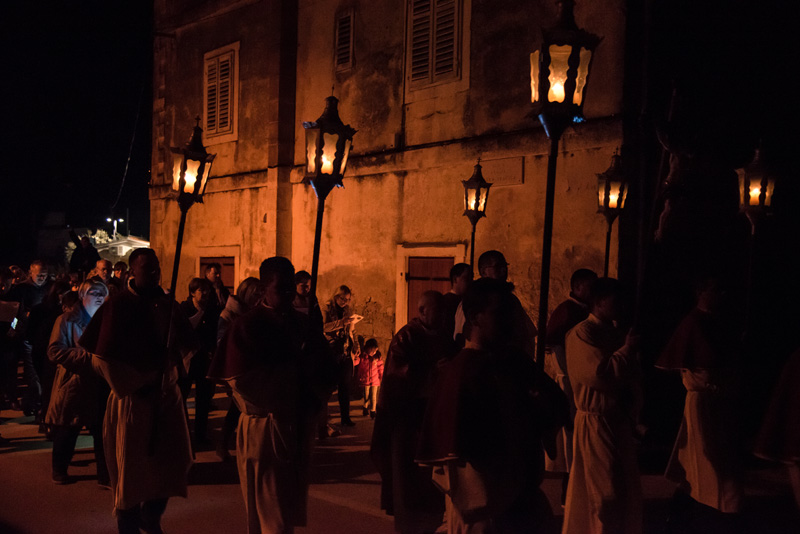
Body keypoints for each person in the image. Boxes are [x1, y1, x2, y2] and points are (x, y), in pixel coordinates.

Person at [416, 278, 566, 533]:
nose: (511, 323)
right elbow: (464, 462)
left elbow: (553, 403)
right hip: (486, 508)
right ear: (475, 317)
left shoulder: (513, 360)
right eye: (501, 314)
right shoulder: (461, 373)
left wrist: (539, 410)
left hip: (522, 499)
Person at [208, 257, 338, 534]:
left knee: (285, 513)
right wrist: (289, 376)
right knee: (272, 517)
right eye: (282, 288)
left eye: (291, 287)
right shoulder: (247, 326)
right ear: (264, 288)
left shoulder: (303, 325)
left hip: (297, 426)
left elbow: (326, 372)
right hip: (264, 429)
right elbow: (240, 380)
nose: (290, 293)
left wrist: (312, 383)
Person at [80, 248, 197, 534]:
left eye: (157, 268)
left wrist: (178, 369)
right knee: (131, 475)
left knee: (174, 463)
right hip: (132, 400)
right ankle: (129, 525)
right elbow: (101, 357)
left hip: (167, 398)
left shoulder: (169, 304)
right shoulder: (117, 305)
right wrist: (137, 384)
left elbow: (187, 347)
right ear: (133, 271)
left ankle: (151, 516)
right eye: (148, 269)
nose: (155, 273)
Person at [656, 275, 743, 528]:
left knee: (706, 465)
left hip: (720, 405)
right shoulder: (693, 322)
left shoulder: (718, 321)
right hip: (704, 405)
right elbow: (707, 364)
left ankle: (687, 511)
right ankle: (719, 514)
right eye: (717, 289)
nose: (723, 295)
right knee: (709, 464)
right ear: (701, 292)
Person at [562, 277, 642, 534]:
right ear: (598, 302)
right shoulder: (582, 334)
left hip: (616, 420)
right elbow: (600, 374)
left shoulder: (615, 332)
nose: (620, 305)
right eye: (614, 299)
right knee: (604, 492)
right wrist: (627, 351)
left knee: (622, 488)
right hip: (596, 421)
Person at [371, 290, 454, 534]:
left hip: (434, 418)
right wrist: (430, 372)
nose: (443, 317)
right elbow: (397, 377)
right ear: (423, 311)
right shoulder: (406, 337)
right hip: (408, 421)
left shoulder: (446, 339)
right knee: (407, 482)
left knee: (433, 484)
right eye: (438, 312)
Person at [45, 279, 110, 486]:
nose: (99, 296)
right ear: (82, 296)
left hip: (100, 384)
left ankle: (105, 474)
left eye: (102, 292)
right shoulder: (66, 320)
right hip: (73, 383)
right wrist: (88, 357)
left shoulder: (107, 321)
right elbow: (54, 351)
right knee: (67, 428)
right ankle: (59, 468)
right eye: (94, 292)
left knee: (102, 431)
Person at [544, 268, 597, 501]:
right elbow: (554, 345)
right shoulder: (567, 311)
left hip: (580, 380)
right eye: (590, 286)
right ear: (577, 288)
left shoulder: (585, 311)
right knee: (571, 434)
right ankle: (569, 488)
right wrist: (569, 372)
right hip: (569, 380)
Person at [214, 276, 266, 461]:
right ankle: (226, 443)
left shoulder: (256, 314)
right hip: (236, 369)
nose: (259, 297)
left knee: (240, 409)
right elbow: (223, 343)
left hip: (253, 368)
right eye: (256, 293)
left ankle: (239, 445)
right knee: (238, 408)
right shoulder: (229, 315)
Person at [453, 251, 537, 359]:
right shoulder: (473, 299)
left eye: (504, 266)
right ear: (483, 271)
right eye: (497, 266)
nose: (503, 270)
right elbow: (460, 338)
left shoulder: (512, 300)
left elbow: (525, 334)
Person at [6, 260, 52, 414]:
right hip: (25, 333)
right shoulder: (22, 289)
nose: (42, 278)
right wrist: (14, 327)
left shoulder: (50, 287)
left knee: (37, 369)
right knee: (29, 369)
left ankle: (32, 400)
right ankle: (27, 400)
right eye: (39, 275)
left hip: (43, 334)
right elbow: (13, 312)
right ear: (31, 273)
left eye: (45, 275)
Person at [179, 277, 220, 446]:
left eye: (207, 290)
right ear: (192, 293)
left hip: (204, 359)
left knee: (203, 400)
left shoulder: (211, 309)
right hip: (187, 359)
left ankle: (201, 436)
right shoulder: (184, 309)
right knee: (181, 398)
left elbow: (214, 332)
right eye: (201, 290)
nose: (205, 294)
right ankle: (182, 434)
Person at [324, 285, 359, 427]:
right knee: (328, 387)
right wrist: (340, 323)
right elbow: (323, 327)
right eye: (343, 299)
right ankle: (324, 422)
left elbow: (353, 330)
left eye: (348, 299)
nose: (345, 302)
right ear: (336, 296)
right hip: (331, 352)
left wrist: (356, 344)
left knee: (345, 386)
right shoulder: (326, 309)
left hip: (345, 351)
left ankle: (345, 418)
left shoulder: (348, 311)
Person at [442, 263, 472, 343]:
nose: (470, 282)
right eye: (466, 278)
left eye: (471, 278)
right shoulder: (445, 302)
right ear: (455, 279)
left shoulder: (470, 300)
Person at [356, 338, 383, 418]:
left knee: (374, 396)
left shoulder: (377, 357)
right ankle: (365, 407)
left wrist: (381, 376)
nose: (374, 352)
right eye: (372, 350)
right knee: (366, 396)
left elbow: (380, 367)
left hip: (375, 380)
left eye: (375, 351)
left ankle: (373, 411)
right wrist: (355, 357)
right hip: (365, 380)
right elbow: (357, 364)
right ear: (368, 349)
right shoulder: (363, 357)